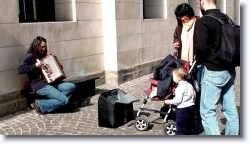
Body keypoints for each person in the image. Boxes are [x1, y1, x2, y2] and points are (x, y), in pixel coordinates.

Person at [196, 0, 239, 135]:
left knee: (207, 111)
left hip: (214, 71)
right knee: (231, 110)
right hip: (230, 70)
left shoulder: (204, 21)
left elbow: (201, 48)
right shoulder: (226, 18)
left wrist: (200, 59)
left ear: (202, 2)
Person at [18, 36, 76, 114]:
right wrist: (35, 66)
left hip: (51, 82)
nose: (44, 49)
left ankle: (54, 105)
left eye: (45, 47)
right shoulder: (30, 56)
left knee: (72, 87)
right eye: (42, 47)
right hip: (40, 85)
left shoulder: (44, 55)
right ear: (36, 46)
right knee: (65, 100)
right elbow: (20, 70)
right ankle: (39, 104)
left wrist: (58, 67)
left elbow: (50, 69)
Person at [164, 66, 196, 135]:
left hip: (183, 109)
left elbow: (178, 100)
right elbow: (194, 95)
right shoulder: (190, 85)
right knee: (190, 124)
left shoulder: (179, 88)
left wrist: (169, 101)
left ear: (179, 78)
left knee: (181, 125)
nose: (172, 78)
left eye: (173, 76)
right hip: (191, 107)